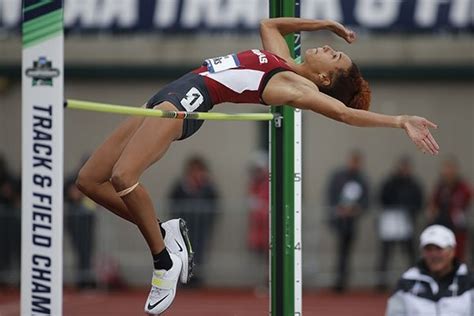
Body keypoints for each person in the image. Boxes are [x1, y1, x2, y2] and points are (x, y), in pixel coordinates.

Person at [76, 18, 440, 314]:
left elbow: (345, 114)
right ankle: (166, 231)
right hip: (169, 91)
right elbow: (271, 25)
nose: (331, 49)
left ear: (325, 79)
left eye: (335, 58)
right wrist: (326, 23)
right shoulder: (281, 60)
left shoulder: (296, 87)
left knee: (124, 176)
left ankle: (164, 263)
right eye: (335, 49)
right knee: (90, 181)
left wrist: (399, 119)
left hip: (188, 100)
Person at [386, 225, 474, 316]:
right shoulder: (406, 283)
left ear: (452, 251)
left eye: (439, 249)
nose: (434, 255)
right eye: (428, 249)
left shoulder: (469, 282)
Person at [168, 155, 219, 287]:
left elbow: (214, 202)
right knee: (182, 251)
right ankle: (183, 279)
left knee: (198, 251)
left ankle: (196, 278)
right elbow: (173, 201)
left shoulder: (208, 186)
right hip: (183, 227)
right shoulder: (181, 185)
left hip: (200, 227)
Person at [376, 156, 424, 290]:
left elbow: (419, 200)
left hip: (406, 220)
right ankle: (381, 280)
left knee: (409, 251)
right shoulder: (390, 182)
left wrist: (410, 210)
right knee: (386, 251)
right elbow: (382, 197)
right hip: (390, 220)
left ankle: (414, 278)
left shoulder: (413, 184)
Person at [326, 150, 369, 292]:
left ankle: (343, 280)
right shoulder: (339, 177)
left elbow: (366, 200)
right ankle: (339, 280)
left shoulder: (362, 179)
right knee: (340, 251)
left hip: (352, 223)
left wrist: (356, 209)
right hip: (339, 221)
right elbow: (331, 194)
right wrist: (337, 209)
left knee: (346, 251)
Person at [428, 157, 471, 261]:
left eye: (450, 169)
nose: (448, 173)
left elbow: (468, 202)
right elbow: (433, 203)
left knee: (458, 251)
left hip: (458, 225)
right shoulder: (440, 187)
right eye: (445, 170)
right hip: (442, 223)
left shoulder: (463, 187)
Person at [64, 158, 98, 289]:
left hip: (87, 220)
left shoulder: (92, 179)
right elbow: (71, 195)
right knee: (80, 250)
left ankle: (86, 278)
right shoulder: (73, 179)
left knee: (87, 250)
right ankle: (81, 279)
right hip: (75, 221)